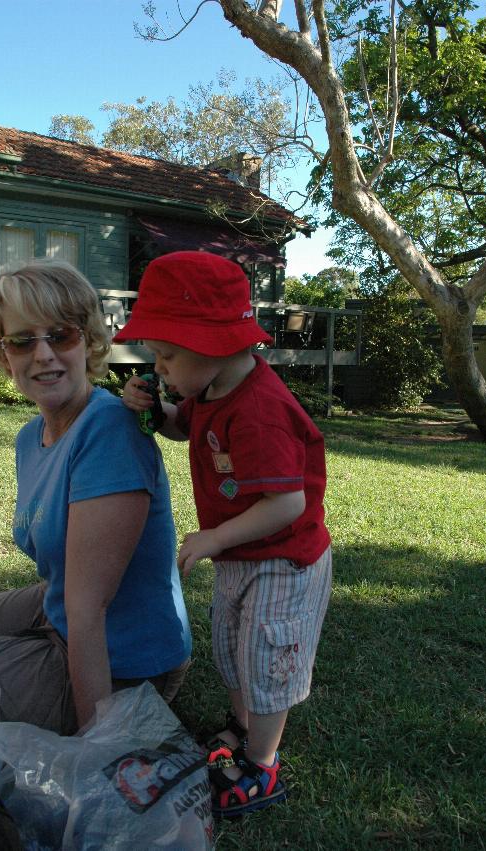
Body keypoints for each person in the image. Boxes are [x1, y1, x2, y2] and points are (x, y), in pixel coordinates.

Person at [0, 259, 191, 734]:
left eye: (60, 335)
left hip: (121, 668)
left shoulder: (109, 430)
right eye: (23, 341)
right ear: (5, 356)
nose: (43, 354)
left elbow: (90, 611)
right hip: (58, 609)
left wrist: (97, 746)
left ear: (87, 341)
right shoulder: (31, 437)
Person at [117, 250, 332, 818]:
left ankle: (262, 767)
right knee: (235, 651)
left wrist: (213, 538)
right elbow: (178, 428)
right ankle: (241, 729)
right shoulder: (208, 391)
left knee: (266, 656)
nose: (157, 366)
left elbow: (289, 502)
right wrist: (153, 406)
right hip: (242, 550)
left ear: (210, 343)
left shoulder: (259, 409)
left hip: (282, 560)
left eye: (165, 355)